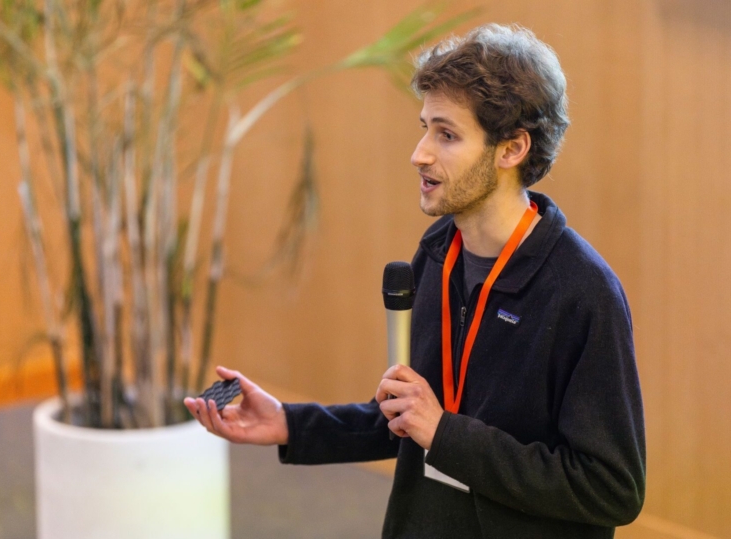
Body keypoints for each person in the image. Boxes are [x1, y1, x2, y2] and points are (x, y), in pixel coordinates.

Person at [185, 23, 645, 539]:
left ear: (512, 149)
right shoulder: (436, 255)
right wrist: (289, 422)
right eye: (425, 127)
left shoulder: (582, 293)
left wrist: (446, 434)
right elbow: (410, 420)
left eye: (446, 134)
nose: (419, 153)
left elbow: (612, 487)